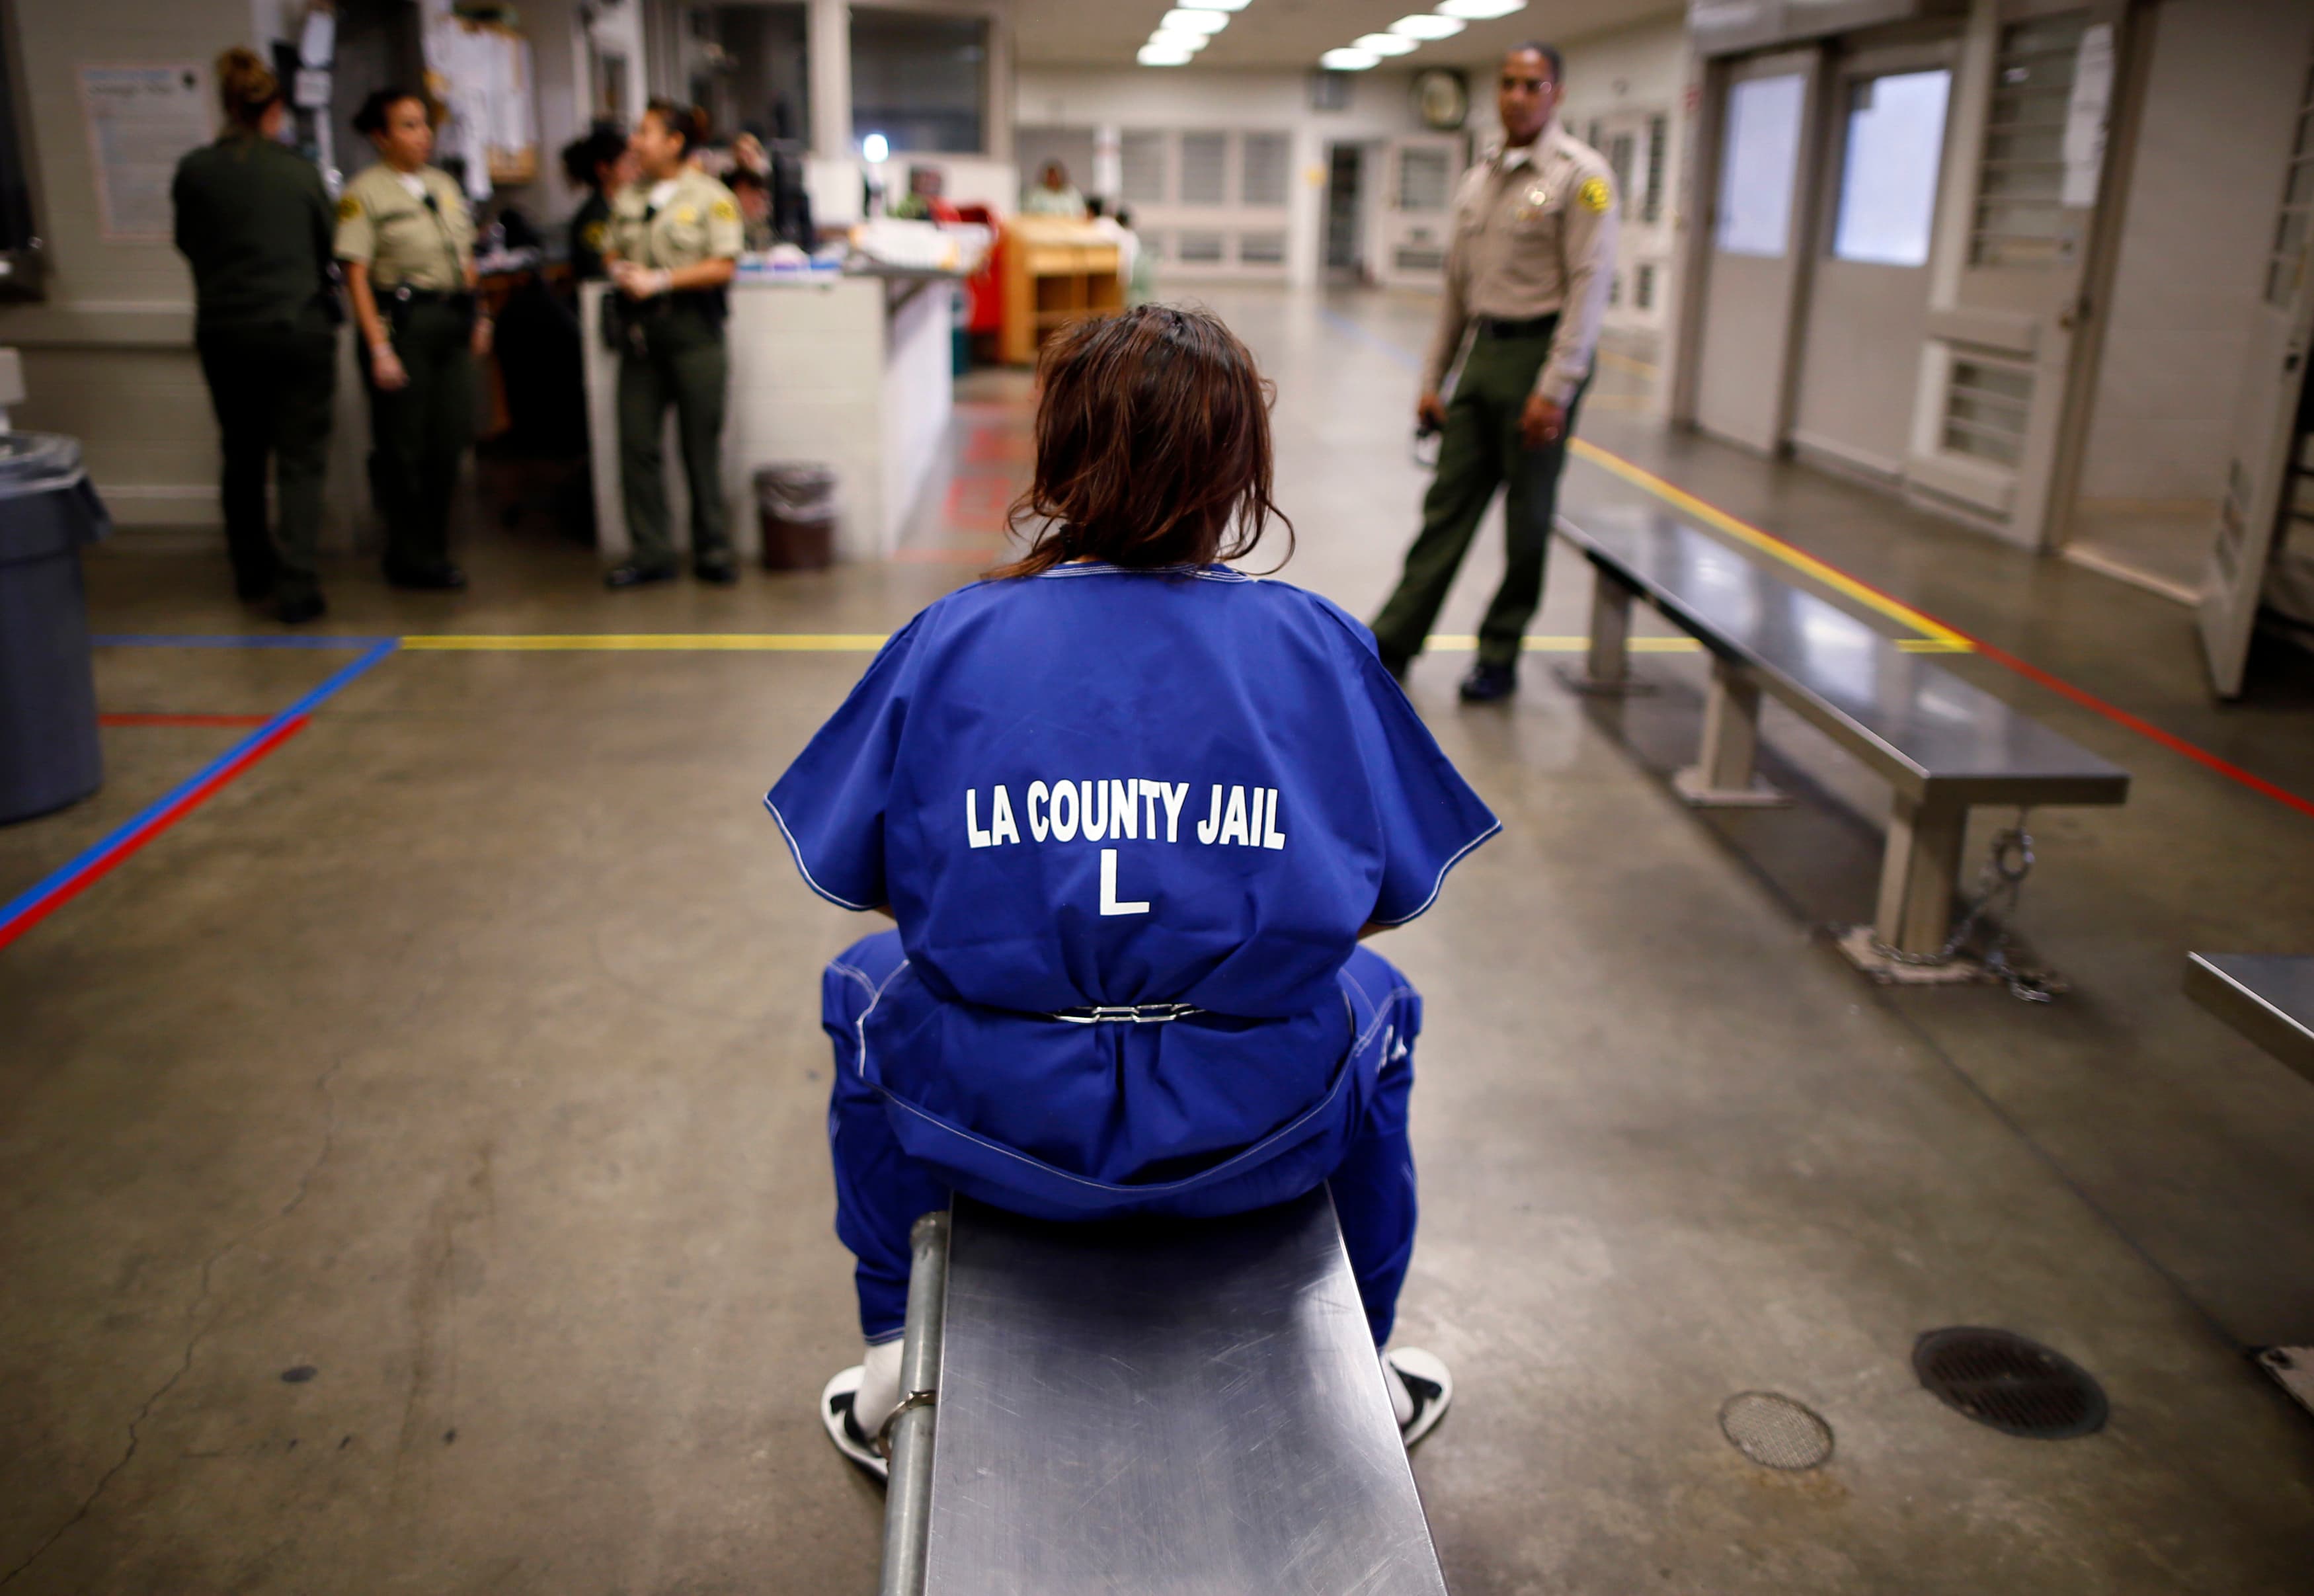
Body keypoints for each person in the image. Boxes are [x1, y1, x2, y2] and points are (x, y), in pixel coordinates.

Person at [764, 306, 1499, 1478]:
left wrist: (1034, 943)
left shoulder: (950, 636)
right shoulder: (1316, 641)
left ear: (1058, 458)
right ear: (1238, 471)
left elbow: (875, 889)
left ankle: (892, 1356)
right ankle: (1363, 1353)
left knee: (861, 992)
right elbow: (1378, 901)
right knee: (1386, 1004)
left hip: (1000, 1112)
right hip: (1254, 1114)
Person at [1369, 44, 1618, 702]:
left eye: (1531, 85)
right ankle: (1392, 641)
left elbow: (1588, 288)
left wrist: (1554, 388)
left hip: (1539, 356)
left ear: (1556, 94)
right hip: (1483, 351)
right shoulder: (1477, 179)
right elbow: (1454, 288)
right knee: (1444, 507)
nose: (1516, 96)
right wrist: (1432, 378)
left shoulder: (1580, 178)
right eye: (1506, 83)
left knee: (1526, 521)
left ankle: (1498, 653)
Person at [171, 48, 339, 624]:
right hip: (296, 329)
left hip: (226, 330)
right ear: (277, 110)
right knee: (299, 460)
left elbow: (189, 244)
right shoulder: (298, 171)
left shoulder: (195, 171)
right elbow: (326, 248)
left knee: (241, 454)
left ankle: (250, 573)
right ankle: (298, 584)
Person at [335, 87, 487, 592]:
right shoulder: (365, 193)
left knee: (448, 441)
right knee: (405, 448)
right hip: (403, 324)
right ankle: (408, 554)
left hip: (451, 320)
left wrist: (479, 313)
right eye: (408, 125)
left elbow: (464, 258)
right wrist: (378, 347)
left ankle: (434, 546)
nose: (423, 135)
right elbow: (355, 274)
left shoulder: (443, 185)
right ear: (380, 136)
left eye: (424, 123)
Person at [601, 100, 744, 588]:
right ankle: (651, 551)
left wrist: (662, 280)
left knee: (699, 445)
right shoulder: (627, 195)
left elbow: (724, 264)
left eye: (645, 133)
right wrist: (619, 269)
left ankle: (713, 548)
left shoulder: (709, 197)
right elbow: (611, 248)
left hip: (693, 333)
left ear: (674, 141)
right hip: (641, 336)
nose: (635, 143)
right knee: (636, 444)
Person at [561, 123, 635, 284]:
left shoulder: (623, 206)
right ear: (604, 170)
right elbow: (599, 270)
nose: (636, 171)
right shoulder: (593, 218)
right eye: (628, 164)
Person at [1021, 159, 1086, 218]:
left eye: (1055, 175)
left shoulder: (1072, 193)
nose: (1053, 179)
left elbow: (1081, 213)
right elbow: (1029, 214)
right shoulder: (1036, 194)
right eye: (1050, 176)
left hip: (1068, 228)